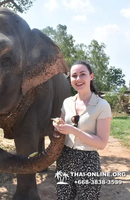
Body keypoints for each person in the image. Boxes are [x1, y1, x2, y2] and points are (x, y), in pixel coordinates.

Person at [53, 60, 111, 200]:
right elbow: (61, 128)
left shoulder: (102, 105)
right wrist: (58, 126)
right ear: (70, 79)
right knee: (63, 197)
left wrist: (73, 130)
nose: (78, 79)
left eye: (82, 74)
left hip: (88, 161)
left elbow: (102, 143)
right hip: (64, 158)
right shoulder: (67, 102)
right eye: (74, 76)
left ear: (91, 76)